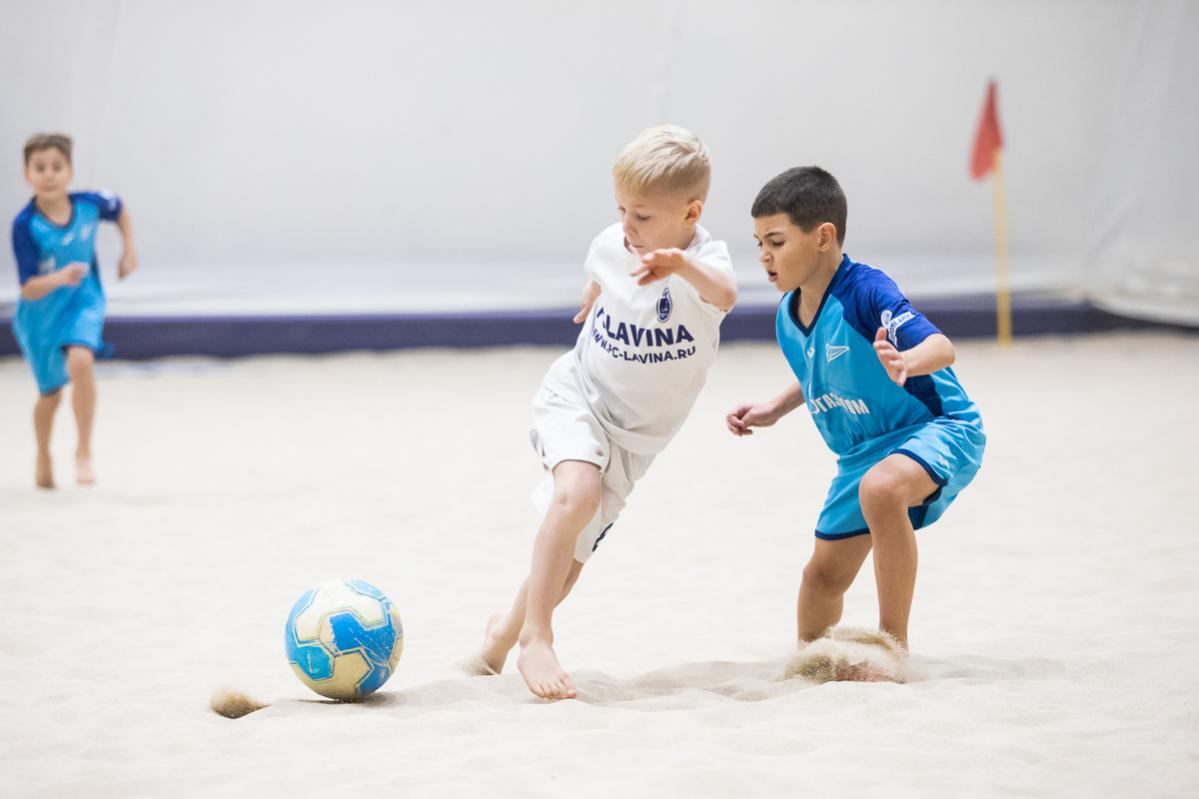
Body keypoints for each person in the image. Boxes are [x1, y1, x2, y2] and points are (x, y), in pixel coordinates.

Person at [474, 125, 737, 700]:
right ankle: (536, 637)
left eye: (641, 216)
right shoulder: (612, 245)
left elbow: (725, 294)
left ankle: (503, 633)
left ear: (691, 212)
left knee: (569, 563)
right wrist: (595, 290)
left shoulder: (705, 264)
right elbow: (604, 270)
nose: (627, 226)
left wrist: (678, 265)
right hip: (578, 395)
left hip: (635, 441)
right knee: (576, 496)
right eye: (620, 210)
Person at [727, 166, 985, 678]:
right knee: (820, 580)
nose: (764, 256)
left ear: (823, 236)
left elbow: (942, 346)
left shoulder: (866, 291)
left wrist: (908, 362)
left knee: (882, 489)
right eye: (759, 244)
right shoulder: (787, 315)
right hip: (861, 454)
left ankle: (893, 651)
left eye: (776, 242)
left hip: (937, 426)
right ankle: (814, 666)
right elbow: (821, 374)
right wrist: (774, 409)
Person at [11, 133, 138, 488]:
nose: (49, 175)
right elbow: (27, 287)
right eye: (40, 168)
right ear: (27, 174)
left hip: (83, 299)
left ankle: (83, 450)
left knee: (81, 360)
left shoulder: (90, 204)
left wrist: (129, 250)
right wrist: (58, 278)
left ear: (70, 171)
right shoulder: (26, 225)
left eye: (57, 167)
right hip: (40, 316)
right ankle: (43, 454)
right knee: (50, 395)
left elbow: (120, 209)